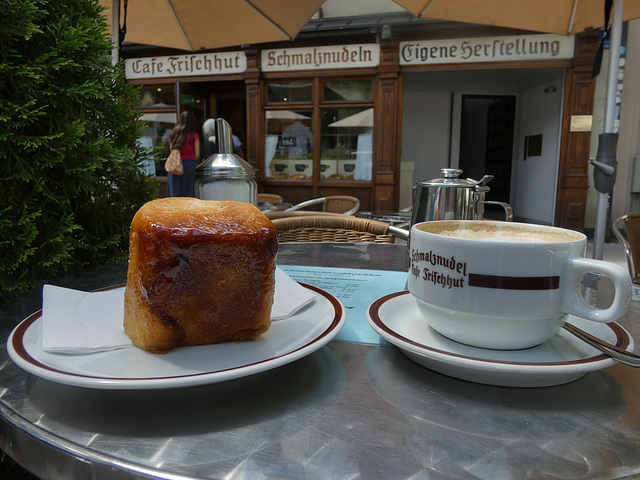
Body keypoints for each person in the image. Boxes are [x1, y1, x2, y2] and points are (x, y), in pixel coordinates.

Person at [166, 111, 200, 197]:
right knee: (189, 195)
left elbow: (171, 150)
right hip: (190, 165)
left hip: (175, 166)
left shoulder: (173, 134)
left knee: (174, 194)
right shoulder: (194, 136)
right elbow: (197, 154)